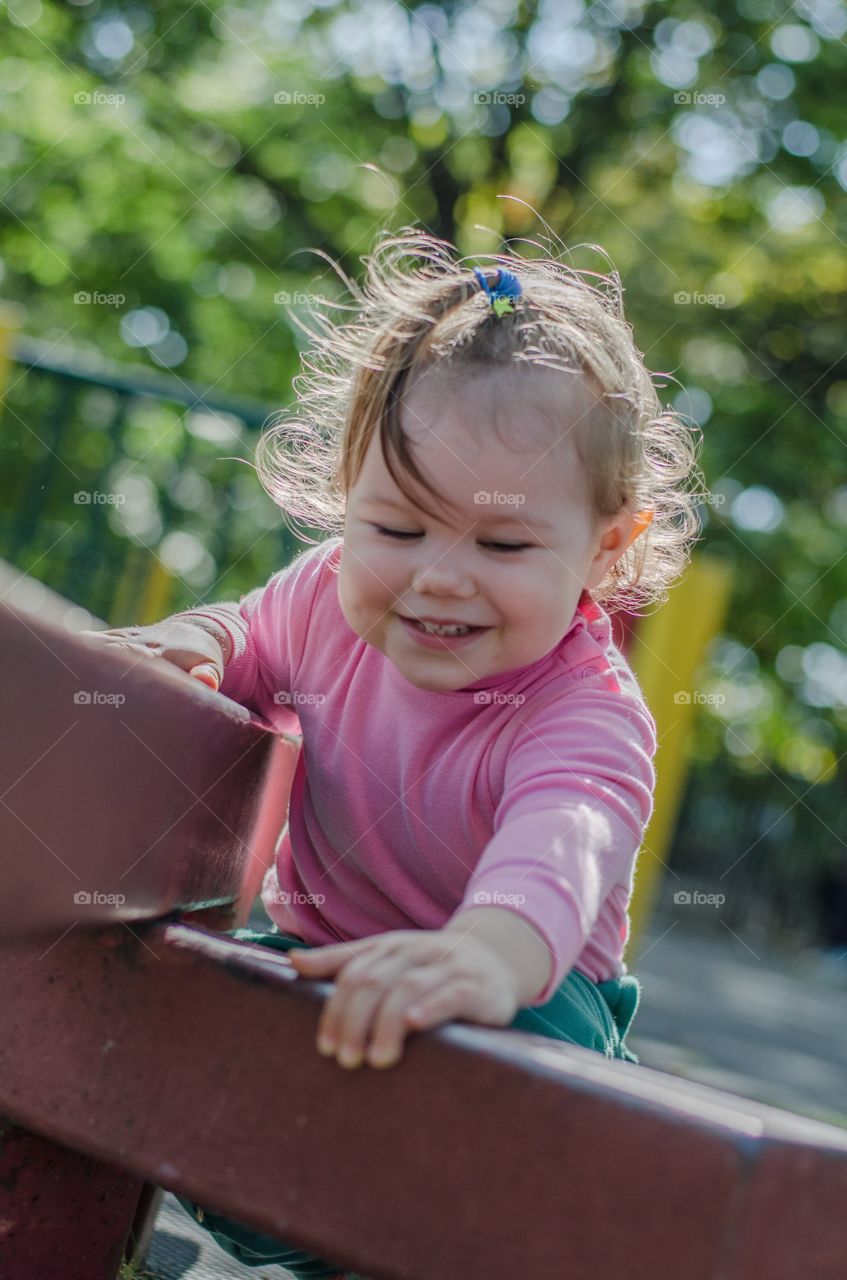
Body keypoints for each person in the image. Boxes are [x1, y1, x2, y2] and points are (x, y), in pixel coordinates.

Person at [85, 227, 705, 1278]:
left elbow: (565, 840)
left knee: (498, 1132)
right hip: (322, 960)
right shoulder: (323, 597)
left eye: (504, 544)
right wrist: (199, 639)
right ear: (343, 498)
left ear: (605, 548)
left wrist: (481, 954)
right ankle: (269, 1241)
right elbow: (246, 635)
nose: (439, 579)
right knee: (189, 1028)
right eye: (398, 528)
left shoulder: (582, 713)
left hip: (521, 996)